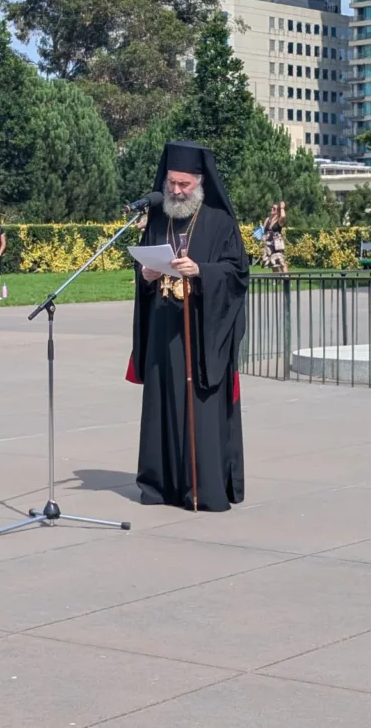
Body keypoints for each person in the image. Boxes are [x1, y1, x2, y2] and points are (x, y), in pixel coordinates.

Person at [127, 141, 248, 512]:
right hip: (165, 327)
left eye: (184, 185)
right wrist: (145, 273)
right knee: (162, 405)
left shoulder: (219, 221)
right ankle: (160, 485)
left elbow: (237, 273)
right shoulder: (159, 219)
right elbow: (145, 262)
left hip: (200, 332)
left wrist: (202, 272)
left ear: (199, 183)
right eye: (172, 183)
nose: (176, 191)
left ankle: (202, 487)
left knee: (199, 410)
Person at [260, 202, 287, 273]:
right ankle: (277, 280)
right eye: (271, 208)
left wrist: (282, 208)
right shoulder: (267, 219)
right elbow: (264, 230)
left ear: (278, 211)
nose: (272, 209)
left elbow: (283, 216)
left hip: (277, 245)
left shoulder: (279, 220)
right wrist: (263, 237)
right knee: (272, 263)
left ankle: (287, 279)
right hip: (269, 245)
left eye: (274, 208)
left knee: (281, 262)